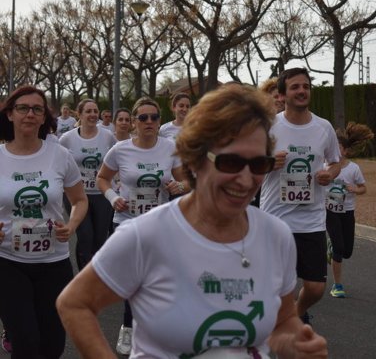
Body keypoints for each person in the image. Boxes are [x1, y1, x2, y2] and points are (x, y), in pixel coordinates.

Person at [57, 83, 328, 358]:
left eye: (259, 164)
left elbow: (282, 324)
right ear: (195, 160)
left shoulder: (276, 235)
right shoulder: (147, 234)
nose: (246, 180)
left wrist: (295, 343)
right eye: (230, 163)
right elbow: (75, 303)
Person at [94, 96, 188, 355]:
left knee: (158, 279)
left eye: (154, 117)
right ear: (134, 122)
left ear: (159, 121)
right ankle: (128, 326)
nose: (149, 122)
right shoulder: (121, 149)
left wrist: (178, 187)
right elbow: (102, 178)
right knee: (133, 280)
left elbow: (186, 182)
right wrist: (114, 198)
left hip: (161, 224)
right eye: (143, 118)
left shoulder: (170, 148)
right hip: (128, 223)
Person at [0, 85, 88, 358]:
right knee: (25, 343)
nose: (30, 114)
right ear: (10, 115)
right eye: (23, 108)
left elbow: (79, 200)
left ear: (44, 118)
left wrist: (72, 225)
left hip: (53, 262)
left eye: (37, 109)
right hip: (7, 261)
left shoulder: (60, 155)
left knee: (52, 345)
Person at [260, 67, 341, 324]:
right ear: (282, 95)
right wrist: (268, 162)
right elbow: (248, 164)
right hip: (276, 218)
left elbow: (336, 162)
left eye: (305, 86)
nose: (302, 91)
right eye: (295, 87)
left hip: (311, 220)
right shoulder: (270, 127)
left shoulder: (323, 127)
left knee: (316, 287)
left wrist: (331, 174)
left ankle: (292, 317)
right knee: (277, 287)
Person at [59, 99, 116, 271]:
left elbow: (118, 160)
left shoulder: (107, 136)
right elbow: (58, 164)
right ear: (80, 114)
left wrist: (119, 183)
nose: (93, 115)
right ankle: (85, 274)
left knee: (100, 238)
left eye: (95, 111)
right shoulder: (67, 139)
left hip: (101, 194)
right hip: (76, 196)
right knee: (85, 236)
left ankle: (96, 272)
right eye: (88, 111)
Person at [325, 122, 373, 299]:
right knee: (339, 249)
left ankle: (330, 247)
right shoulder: (324, 167)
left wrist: (354, 189)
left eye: (338, 149)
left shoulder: (353, 169)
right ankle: (337, 285)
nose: (335, 153)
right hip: (329, 211)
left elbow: (363, 188)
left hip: (347, 211)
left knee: (347, 251)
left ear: (345, 150)